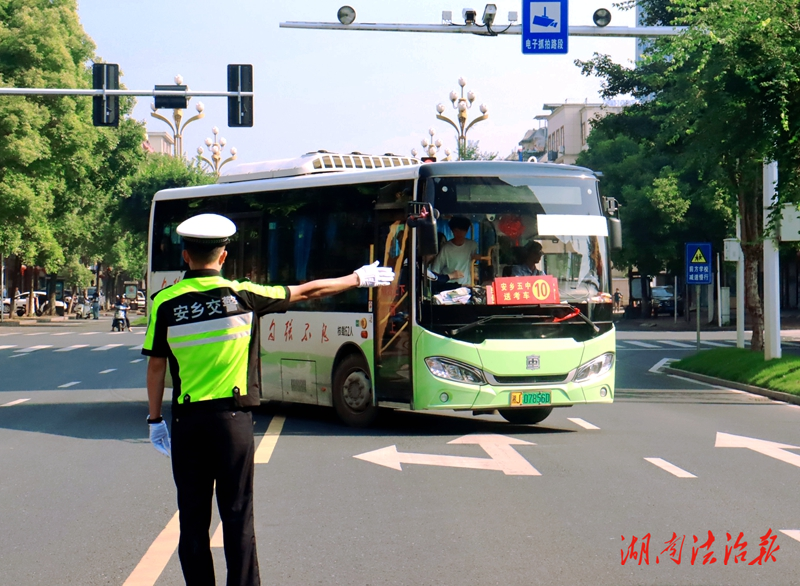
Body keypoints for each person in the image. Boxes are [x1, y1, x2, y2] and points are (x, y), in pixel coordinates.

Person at [143, 213, 394, 586]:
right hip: (233, 421)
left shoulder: (165, 303)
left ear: (185, 255)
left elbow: (156, 367)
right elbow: (307, 291)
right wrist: (358, 278)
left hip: (188, 423)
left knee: (192, 519)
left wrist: (154, 421)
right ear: (224, 256)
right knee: (238, 515)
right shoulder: (243, 295)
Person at [430, 216, 478, 286]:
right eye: (456, 231)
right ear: (452, 230)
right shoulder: (446, 248)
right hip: (450, 289)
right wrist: (450, 276)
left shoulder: (472, 245)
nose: (459, 234)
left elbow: (475, 261)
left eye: (462, 231)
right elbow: (435, 271)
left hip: (467, 287)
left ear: (467, 231)